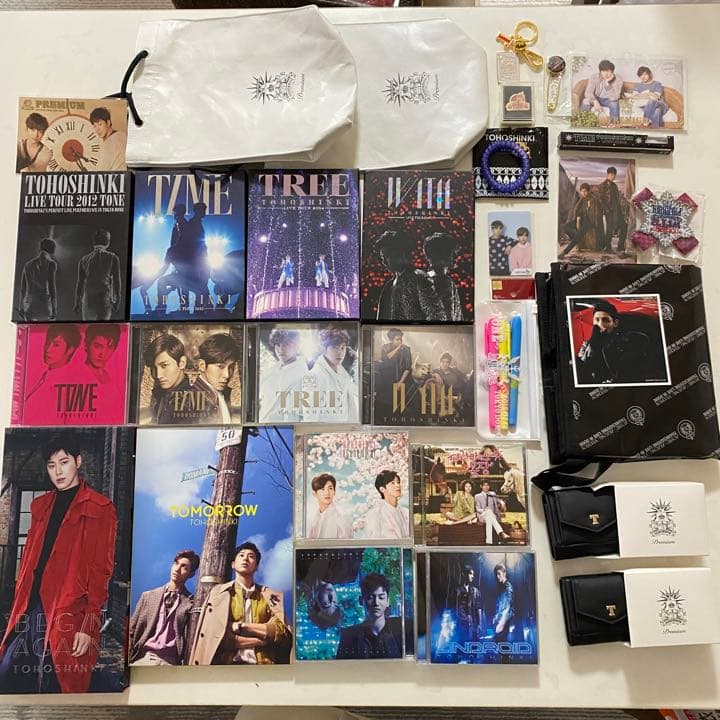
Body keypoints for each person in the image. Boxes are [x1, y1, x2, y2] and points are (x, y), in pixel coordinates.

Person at [0, 434, 117, 693]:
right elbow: (30, 559)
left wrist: (89, 625)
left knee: (54, 682)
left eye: (64, 462)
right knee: (9, 674)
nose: (58, 471)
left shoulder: (100, 508)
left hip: (67, 608)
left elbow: (101, 572)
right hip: (30, 605)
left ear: (78, 461)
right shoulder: (40, 506)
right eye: (51, 465)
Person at [188, 542, 292, 666]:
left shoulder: (269, 596)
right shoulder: (219, 594)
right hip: (227, 666)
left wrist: (241, 626)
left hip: (264, 666)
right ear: (233, 564)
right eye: (241, 555)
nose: (245, 559)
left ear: (257, 566)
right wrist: (261, 640)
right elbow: (215, 634)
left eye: (251, 556)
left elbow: (281, 632)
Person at [129, 550, 200, 666]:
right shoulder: (148, 596)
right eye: (176, 563)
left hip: (172, 663)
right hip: (145, 658)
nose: (177, 569)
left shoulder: (191, 603)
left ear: (191, 574)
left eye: (184, 567)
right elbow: (131, 631)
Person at [575, 299, 663, 385]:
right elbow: (583, 367)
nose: (600, 324)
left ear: (615, 323)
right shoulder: (587, 344)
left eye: (606, 320)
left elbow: (625, 373)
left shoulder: (626, 342)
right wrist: (593, 344)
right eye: (596, 320)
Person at [374, 230, 446, 322]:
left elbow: (437, 316)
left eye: (387, 256)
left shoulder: (419, 278)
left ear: (401, 253)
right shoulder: (389, 285)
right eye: (382, 257)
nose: (383, 262)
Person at [336, 573, 402, 660]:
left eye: (381, 597)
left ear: (388, 601)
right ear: (361, 600)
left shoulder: (400, 632)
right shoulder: (348, 635)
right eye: (370, 597)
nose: (376, 603)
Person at [307, 326, 357, 422]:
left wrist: (356, 361)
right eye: (334, 347)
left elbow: (356, 391)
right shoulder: (314, 376)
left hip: (345, 427)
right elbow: (310, 416)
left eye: (343, 348)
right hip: (327, 429)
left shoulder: (341, 371)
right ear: (324, 349)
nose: (340, 352)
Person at [258, 328, 309, 423]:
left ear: (296, 346)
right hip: (263, 422)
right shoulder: (272, 370)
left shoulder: (301, 374)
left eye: (286, 344)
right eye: (278, 344)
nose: (281, 349)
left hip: (280, 426)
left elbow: (293, 414)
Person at [143, 333, 192, 424]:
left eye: (164, 365)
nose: (158, 375)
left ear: (182, 363)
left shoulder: (192, 400)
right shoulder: (160, 393)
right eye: (153, 368)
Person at [191, 332, 241, 423]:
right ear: (202, 365)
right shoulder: (190, 400)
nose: (227, 375)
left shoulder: (223, 394)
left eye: (231, 367)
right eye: (220, 366)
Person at [74, 229, 122, 321]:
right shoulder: (113, 257)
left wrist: (76, 302)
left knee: (89, 328)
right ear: (107, 242)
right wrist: (117, 300)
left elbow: (80, 283)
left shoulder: (83, 259)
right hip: (104, 300)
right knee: (103, 328)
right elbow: (117, 281)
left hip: (88, 301)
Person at [423, 232, 463, 321]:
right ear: (440, 254)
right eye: (452, 252)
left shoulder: (424, 279)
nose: (456, 256)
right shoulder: (444, 281)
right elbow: (449, 318)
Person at [559, 184, 604, 258]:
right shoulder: (581, 199)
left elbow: (597, 214)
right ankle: (578, 241)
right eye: (582, 191)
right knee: (564, 227)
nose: (584, 193)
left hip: (591, 221)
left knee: (579, 233)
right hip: (582, 219)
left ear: (589, 191)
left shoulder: (594, 200)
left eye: (585, 191)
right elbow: (578, 210)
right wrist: (578, 218)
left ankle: (565, 252)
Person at [19, 237, 57, 321]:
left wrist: (21, 307)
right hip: (43, 304)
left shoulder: (28, 264)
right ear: (51, 249)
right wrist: (54, 309)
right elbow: (52, 287)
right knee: (44, 328)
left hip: (28, 304)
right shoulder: (51, 264)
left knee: (31, 327)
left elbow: (23, 288)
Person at [364, 470, 410, 539]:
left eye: (398, 482)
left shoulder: (405, 512)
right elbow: (373, 541)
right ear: (382, 489)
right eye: (392, 483)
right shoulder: (375, 514)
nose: (398, 485)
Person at [307, 473, 353, 539]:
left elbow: (347, 543)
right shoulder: (314, 518)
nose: (327, 493)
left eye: (330, 488)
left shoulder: (341, 517)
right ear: (314, 493)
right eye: (322, 489)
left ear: (334, 491)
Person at [581, 59, 623, 125]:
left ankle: (614, 125)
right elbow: (588, 92)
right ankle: (583, 123)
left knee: (614, 103)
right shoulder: (594, 77)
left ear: (612, 71)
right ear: (600, 71)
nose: (606, 74)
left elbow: (614, 97)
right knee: (585, 101)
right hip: (596, 98)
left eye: (608, 71)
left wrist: (607, 84)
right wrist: (595, 101)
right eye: (603, 71)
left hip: (609, 100)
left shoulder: (618, 79)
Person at [597, 167, 628, 254]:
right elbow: (600, 200)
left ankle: (620, 247)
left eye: (614, 175)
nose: (613, 177)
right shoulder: (602, 186)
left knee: (624, 226)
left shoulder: (614, 186)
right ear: (608, 174)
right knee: (610, 229)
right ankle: (608, 247)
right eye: (611, 175)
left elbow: (617, 198)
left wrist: (622, 207)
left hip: (617, 210)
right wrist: (607, 210)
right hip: (609, 211)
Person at [89, 106, 127, 171]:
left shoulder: (109, 143)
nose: (97, 129)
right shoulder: (123, 135)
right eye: (95, 126)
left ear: (108, 123)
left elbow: (101, 171)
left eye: (100, 124)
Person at [455, 565, 482, 643]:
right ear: (464, 574)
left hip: (474, 626)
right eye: (470, 574)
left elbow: (478, 607)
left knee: (474, 646)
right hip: (462, 626)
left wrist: (479, 624)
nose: (472, 576)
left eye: (473, 574)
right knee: (463, 645)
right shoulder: (457, 591)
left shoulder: (475, 591)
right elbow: (455, 609)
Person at [491, 563, 515, 644]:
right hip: (501, 621)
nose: (497, 577)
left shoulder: (508, 588)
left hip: (505, 623)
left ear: (504, 573)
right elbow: (501, 606)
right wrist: (496, 616)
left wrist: (501, 623)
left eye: (499, 574)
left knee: (503, 647)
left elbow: (507, 607)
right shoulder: (502, 587)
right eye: (496, 575)